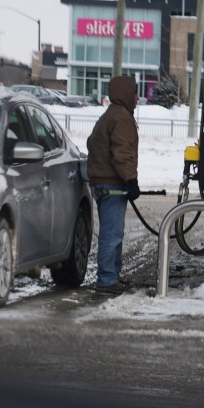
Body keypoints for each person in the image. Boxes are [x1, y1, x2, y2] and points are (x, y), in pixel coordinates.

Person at [86, 75, 140, 294]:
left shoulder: (109, 115)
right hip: (112, 184)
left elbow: (92, 143)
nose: (137, 98)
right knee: (112, 234)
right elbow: (122, 153)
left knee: (114, 232)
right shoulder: (121, 118)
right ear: (126, 94)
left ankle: (112, 276)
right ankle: (107, 280)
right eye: (134, 93)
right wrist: (131, 180)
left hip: (102, 182)